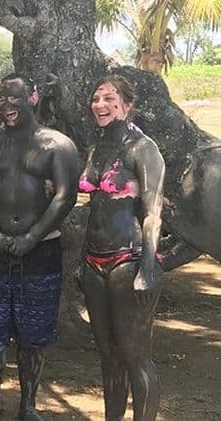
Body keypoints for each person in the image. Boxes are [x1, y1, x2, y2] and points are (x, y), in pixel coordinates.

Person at [0, 74, 79, 421]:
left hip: (41, 251)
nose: (6, 105)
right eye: (1, 98)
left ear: (33, 97)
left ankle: (28, 404)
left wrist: (32, 236)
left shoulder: (57, 144)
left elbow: (65, 196)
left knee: (34, 333)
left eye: (14, 98)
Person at [78, 75, 165, 421]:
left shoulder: (144, 149)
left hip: (127, 260)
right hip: (93, 261)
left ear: (127, 105)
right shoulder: (97, 147)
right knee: (108, 353)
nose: (100, 104)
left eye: (109, 98)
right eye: (96, 98)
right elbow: (93, 205)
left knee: (134, 354)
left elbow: (153, 210)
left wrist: (148, 266)